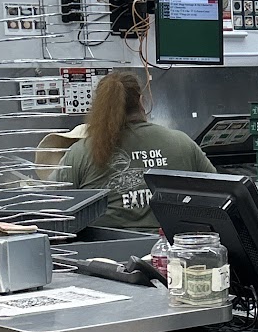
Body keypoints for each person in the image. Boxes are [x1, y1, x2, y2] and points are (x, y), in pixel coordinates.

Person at [56, 70, 213, 229]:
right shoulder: (182, 143)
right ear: (141, 101)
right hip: (171, 242)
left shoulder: (81, 153)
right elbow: (219, 193)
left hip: (105, 243)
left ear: (99, 108)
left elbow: (53, 206)